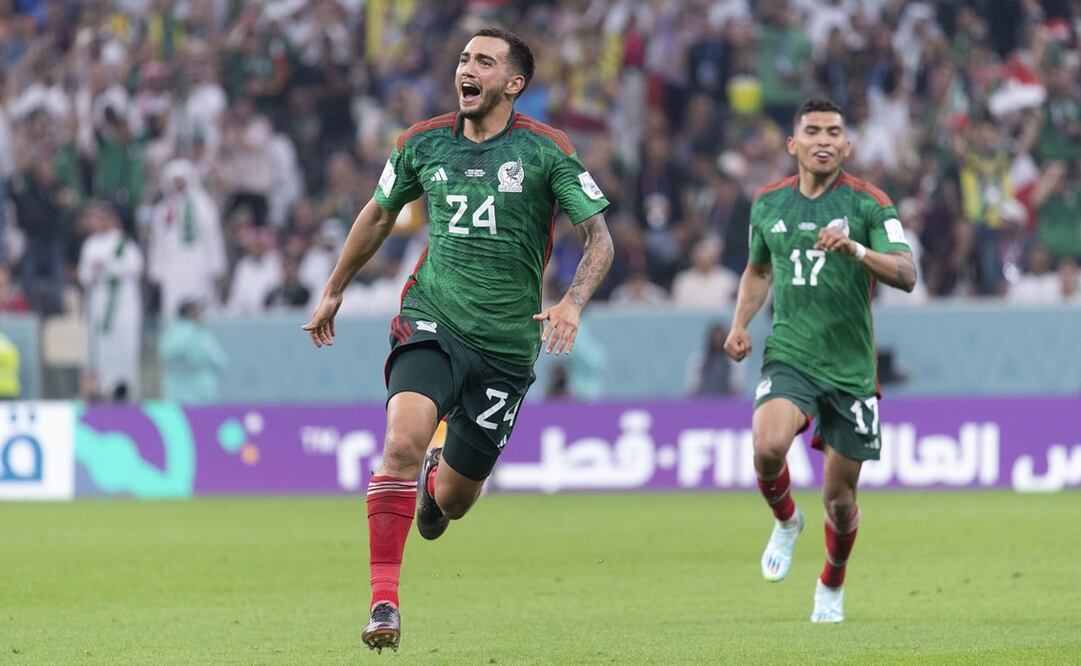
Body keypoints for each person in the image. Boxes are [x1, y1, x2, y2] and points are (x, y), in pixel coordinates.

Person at [302, 27, 613, 652]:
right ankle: (384, 602)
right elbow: (379, 212)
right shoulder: (421, 144)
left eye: (484, 61)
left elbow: (600, 239)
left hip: (507, 349)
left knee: (455, 500)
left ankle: (439, 485)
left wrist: (573, 304)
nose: (466, 69)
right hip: (431, 318)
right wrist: (334, 286)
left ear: (513, 83)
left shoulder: (547, 152)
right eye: (464, 57)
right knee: (401, 444)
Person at [723, 98, 916, 624]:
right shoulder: (767, 204)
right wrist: (740, 323)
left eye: (835, 131)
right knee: (767, 446)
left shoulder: (871, 204)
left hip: (851, 370)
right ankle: (786, 521)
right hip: (791, 353)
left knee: (839, 501)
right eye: (813, 131)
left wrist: (855, 250)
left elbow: (906, 273)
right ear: (794, 144)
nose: (825, 140)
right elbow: (758, 271)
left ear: (847, 145)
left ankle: (832, 581)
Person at [77, 202, 145, 401]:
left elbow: (136, 268)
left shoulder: (125, 244)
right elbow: (83, 275)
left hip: (123, 303)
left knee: (125, 345)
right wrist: (96, 270)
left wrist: (109, 267)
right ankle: (100, 389)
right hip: (99, 301)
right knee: (100, 348)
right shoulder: (90, 245)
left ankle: (126, 389)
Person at [159, 300, 228, 403]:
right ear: (191, 313)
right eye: (199, 311)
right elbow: (219, 361)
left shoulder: (171, 333)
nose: (203, 315)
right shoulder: (198, 334)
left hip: (179, 394)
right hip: (196, 392)